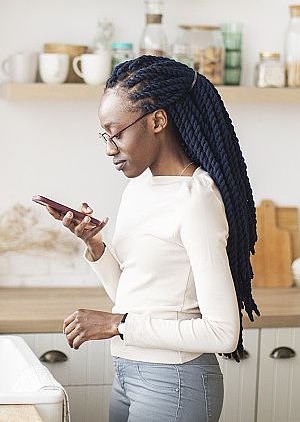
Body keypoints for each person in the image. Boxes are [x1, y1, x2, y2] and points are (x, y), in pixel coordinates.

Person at [44, 55, 259, 422]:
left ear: (158, 120)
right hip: (128, 375)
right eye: (104, 135)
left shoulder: (196, 199)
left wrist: (116, 325)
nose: (110, 148)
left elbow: (223, 333)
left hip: (176, 383)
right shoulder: (140, 188)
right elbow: (134, 296)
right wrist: (95, 246)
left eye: (117, 133)